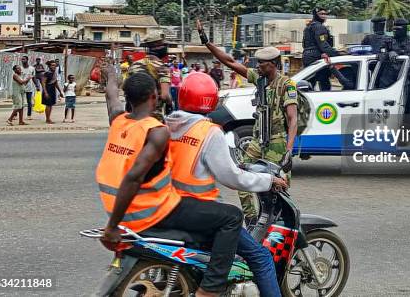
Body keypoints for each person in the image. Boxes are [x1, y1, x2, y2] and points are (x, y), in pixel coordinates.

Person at [97, 66, 242, 297]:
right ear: (154, 96)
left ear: (129, 98)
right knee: (232, 217)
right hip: (155, 211)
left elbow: (111, 96)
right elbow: (133, 178)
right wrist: (111, 229)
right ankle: (210, 289)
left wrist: (111, 75)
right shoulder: (156, 131)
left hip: (120, 210)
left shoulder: (118, 120)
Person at [166, 72, 288, 296]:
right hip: (201, 212)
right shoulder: (208, 132)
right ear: (211, 100)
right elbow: (232, 177)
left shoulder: (168, 125)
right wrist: (268, 180)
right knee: (260, 256)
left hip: (168, 207)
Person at [197, 19, 298, 225]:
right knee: (241, 178)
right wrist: (207, 42)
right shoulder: (258, 79)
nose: (257, 65)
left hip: (276, 143)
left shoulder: (287, 85)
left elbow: (292, 118)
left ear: (273, 64)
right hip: (257, 141)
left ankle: (280, 222)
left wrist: (289, 149)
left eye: (262, 63)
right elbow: (230, 62)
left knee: (276, 186)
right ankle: (253, 221)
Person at [127, 35, 172, 120]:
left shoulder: (134, 65)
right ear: (158, 47)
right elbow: (165, 95)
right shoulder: (162, 68)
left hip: (133, 116)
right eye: (163, 45)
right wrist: (170, 103)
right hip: (153, 117)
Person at [302, 7, 340, 91]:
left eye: (325, 14)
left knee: (309, 83)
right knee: (324, 82)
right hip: (317, 57)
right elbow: (323, 44)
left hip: (307, 56)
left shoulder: (308, 27)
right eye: (321, 14)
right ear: (316, 15)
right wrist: (337, 54)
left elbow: (304, 44)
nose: (324, 16)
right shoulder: (319, 27)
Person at [20, 56, 36, 120]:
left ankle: (29, 115)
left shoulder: (32, 68)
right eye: (22, 59)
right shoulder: (20, 68)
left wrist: (37, 86)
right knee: (20, 102)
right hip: (21, 87)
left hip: (29, 87)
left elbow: (34, 78)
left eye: (23, 59)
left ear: (27, 60)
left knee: (29, 102)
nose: (22, 60)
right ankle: (16, 114)